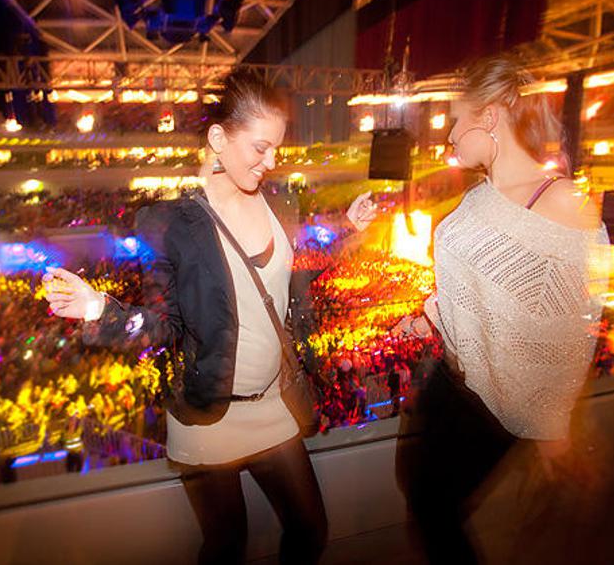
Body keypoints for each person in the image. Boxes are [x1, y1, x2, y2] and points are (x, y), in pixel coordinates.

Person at [43, 69, 377, 565]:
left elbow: (290, 277)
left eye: (277, 148)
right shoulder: (172, 223)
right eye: (260, 147)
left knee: (310, 530)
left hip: (274, 404)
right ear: (219, 139)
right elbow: (164, 326)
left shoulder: (278, 203)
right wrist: (100, 309)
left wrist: (346, 229)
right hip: (210, 418)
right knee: (226, 547)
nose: (272, 161)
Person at [393, 54, 609, 563]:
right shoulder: (479, 197)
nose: (449, 136)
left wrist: (553, 423)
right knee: (417, 489)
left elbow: (571, 326)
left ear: (489, 117)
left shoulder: (562, 202)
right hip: (450, 380)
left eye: (455, 121)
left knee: (434, 510)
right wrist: (429, 316)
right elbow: (477, 288)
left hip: (496, 400)